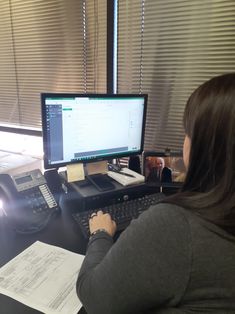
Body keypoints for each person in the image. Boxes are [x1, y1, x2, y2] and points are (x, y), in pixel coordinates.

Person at [76, 73, 235, 313]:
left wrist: (99, 233)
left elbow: (94, 298)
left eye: (188, 132)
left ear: (206, 147)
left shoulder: (176, 227)